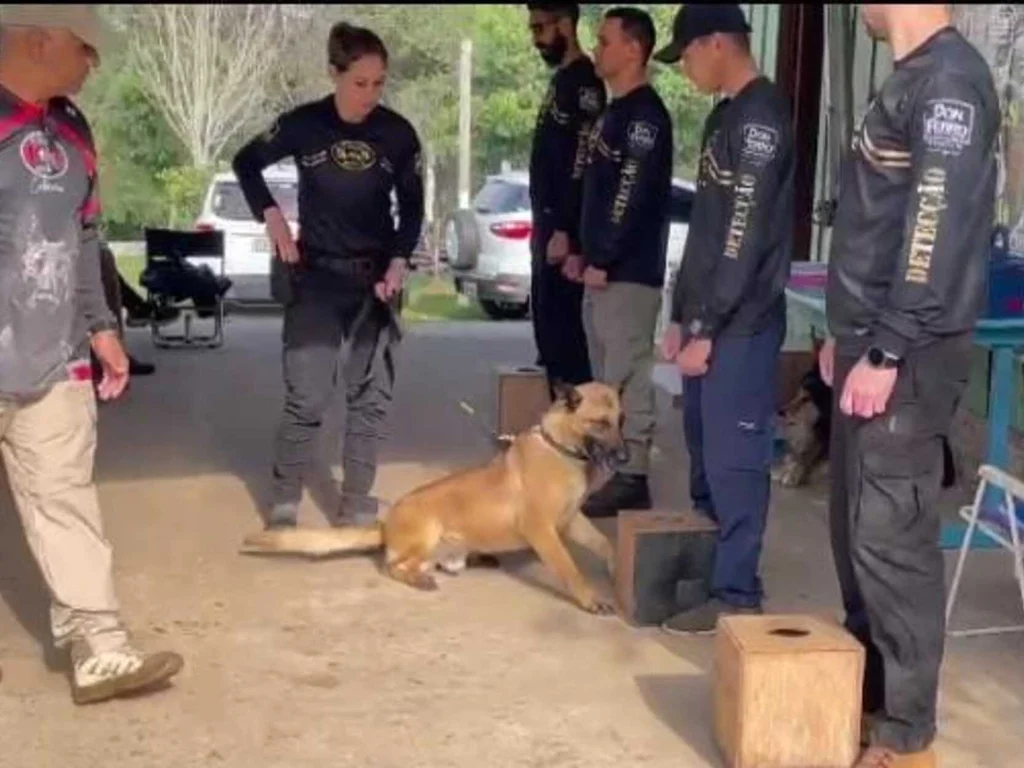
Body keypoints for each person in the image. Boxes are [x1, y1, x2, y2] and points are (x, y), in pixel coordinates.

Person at [818, 6, 999, 767]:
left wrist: (886, 350)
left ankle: (905, 734)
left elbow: (932, 229)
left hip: (910, 353)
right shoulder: (912, 77)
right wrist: (845, 332)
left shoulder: (950, 83)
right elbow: (880, 223)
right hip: (869, 340)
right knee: (855, 529)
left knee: (892, 539)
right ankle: (869, 697)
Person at [0, 5, 183, 703]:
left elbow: (83, 236)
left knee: (66, 501)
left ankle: (100, 649)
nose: (93, 64)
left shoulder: (72, 129)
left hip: (56, 360)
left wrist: (102, 327)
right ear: (38, 38)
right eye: (86, 48)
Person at [232, 22, 424, 530]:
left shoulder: (398, 134)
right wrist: (272, 218)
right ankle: (285, 500)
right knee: (307, 396)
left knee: (370, 398)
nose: (370, 94)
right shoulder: (304, 125)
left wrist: (400, 261)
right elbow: (246, 161)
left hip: (375, 282)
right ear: (334, 74)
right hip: (315, 278)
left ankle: (357, 500)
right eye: (360, 83)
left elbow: (413, 207)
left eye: (379, 83)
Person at [653, 4, 795, 634]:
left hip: (742, 325)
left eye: (685, 54)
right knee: (705, 456)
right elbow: (706, 234)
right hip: (708, 320)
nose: (684, 68)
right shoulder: (724, 117)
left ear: (717, 43)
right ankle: (712, 577)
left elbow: (742, 238)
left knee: (736, 463)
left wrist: (708, 328)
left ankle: (738, 593)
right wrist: (682, 315)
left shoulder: (761, 118)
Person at [576, 7, 672, 516]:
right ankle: (608, 465)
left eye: (605, 40)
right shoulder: (614, 112)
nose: (596, 48)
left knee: (628, 375)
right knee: (605, 375)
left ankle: (631, 473)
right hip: (602, 269)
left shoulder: (644, 118)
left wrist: (606, 257)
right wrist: (582, 252)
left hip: (629, 274)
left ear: (633, 50)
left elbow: (627, 196)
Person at [525, 3, 605, 396]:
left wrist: (565, 230)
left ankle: (580, 436)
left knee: (567, 340)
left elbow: (581, 160)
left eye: (540, 28)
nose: (535, 39)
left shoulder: (585, 84)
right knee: (548, 335)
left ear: (566, 25)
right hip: (545, 226)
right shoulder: (561, 80)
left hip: (563, 233)